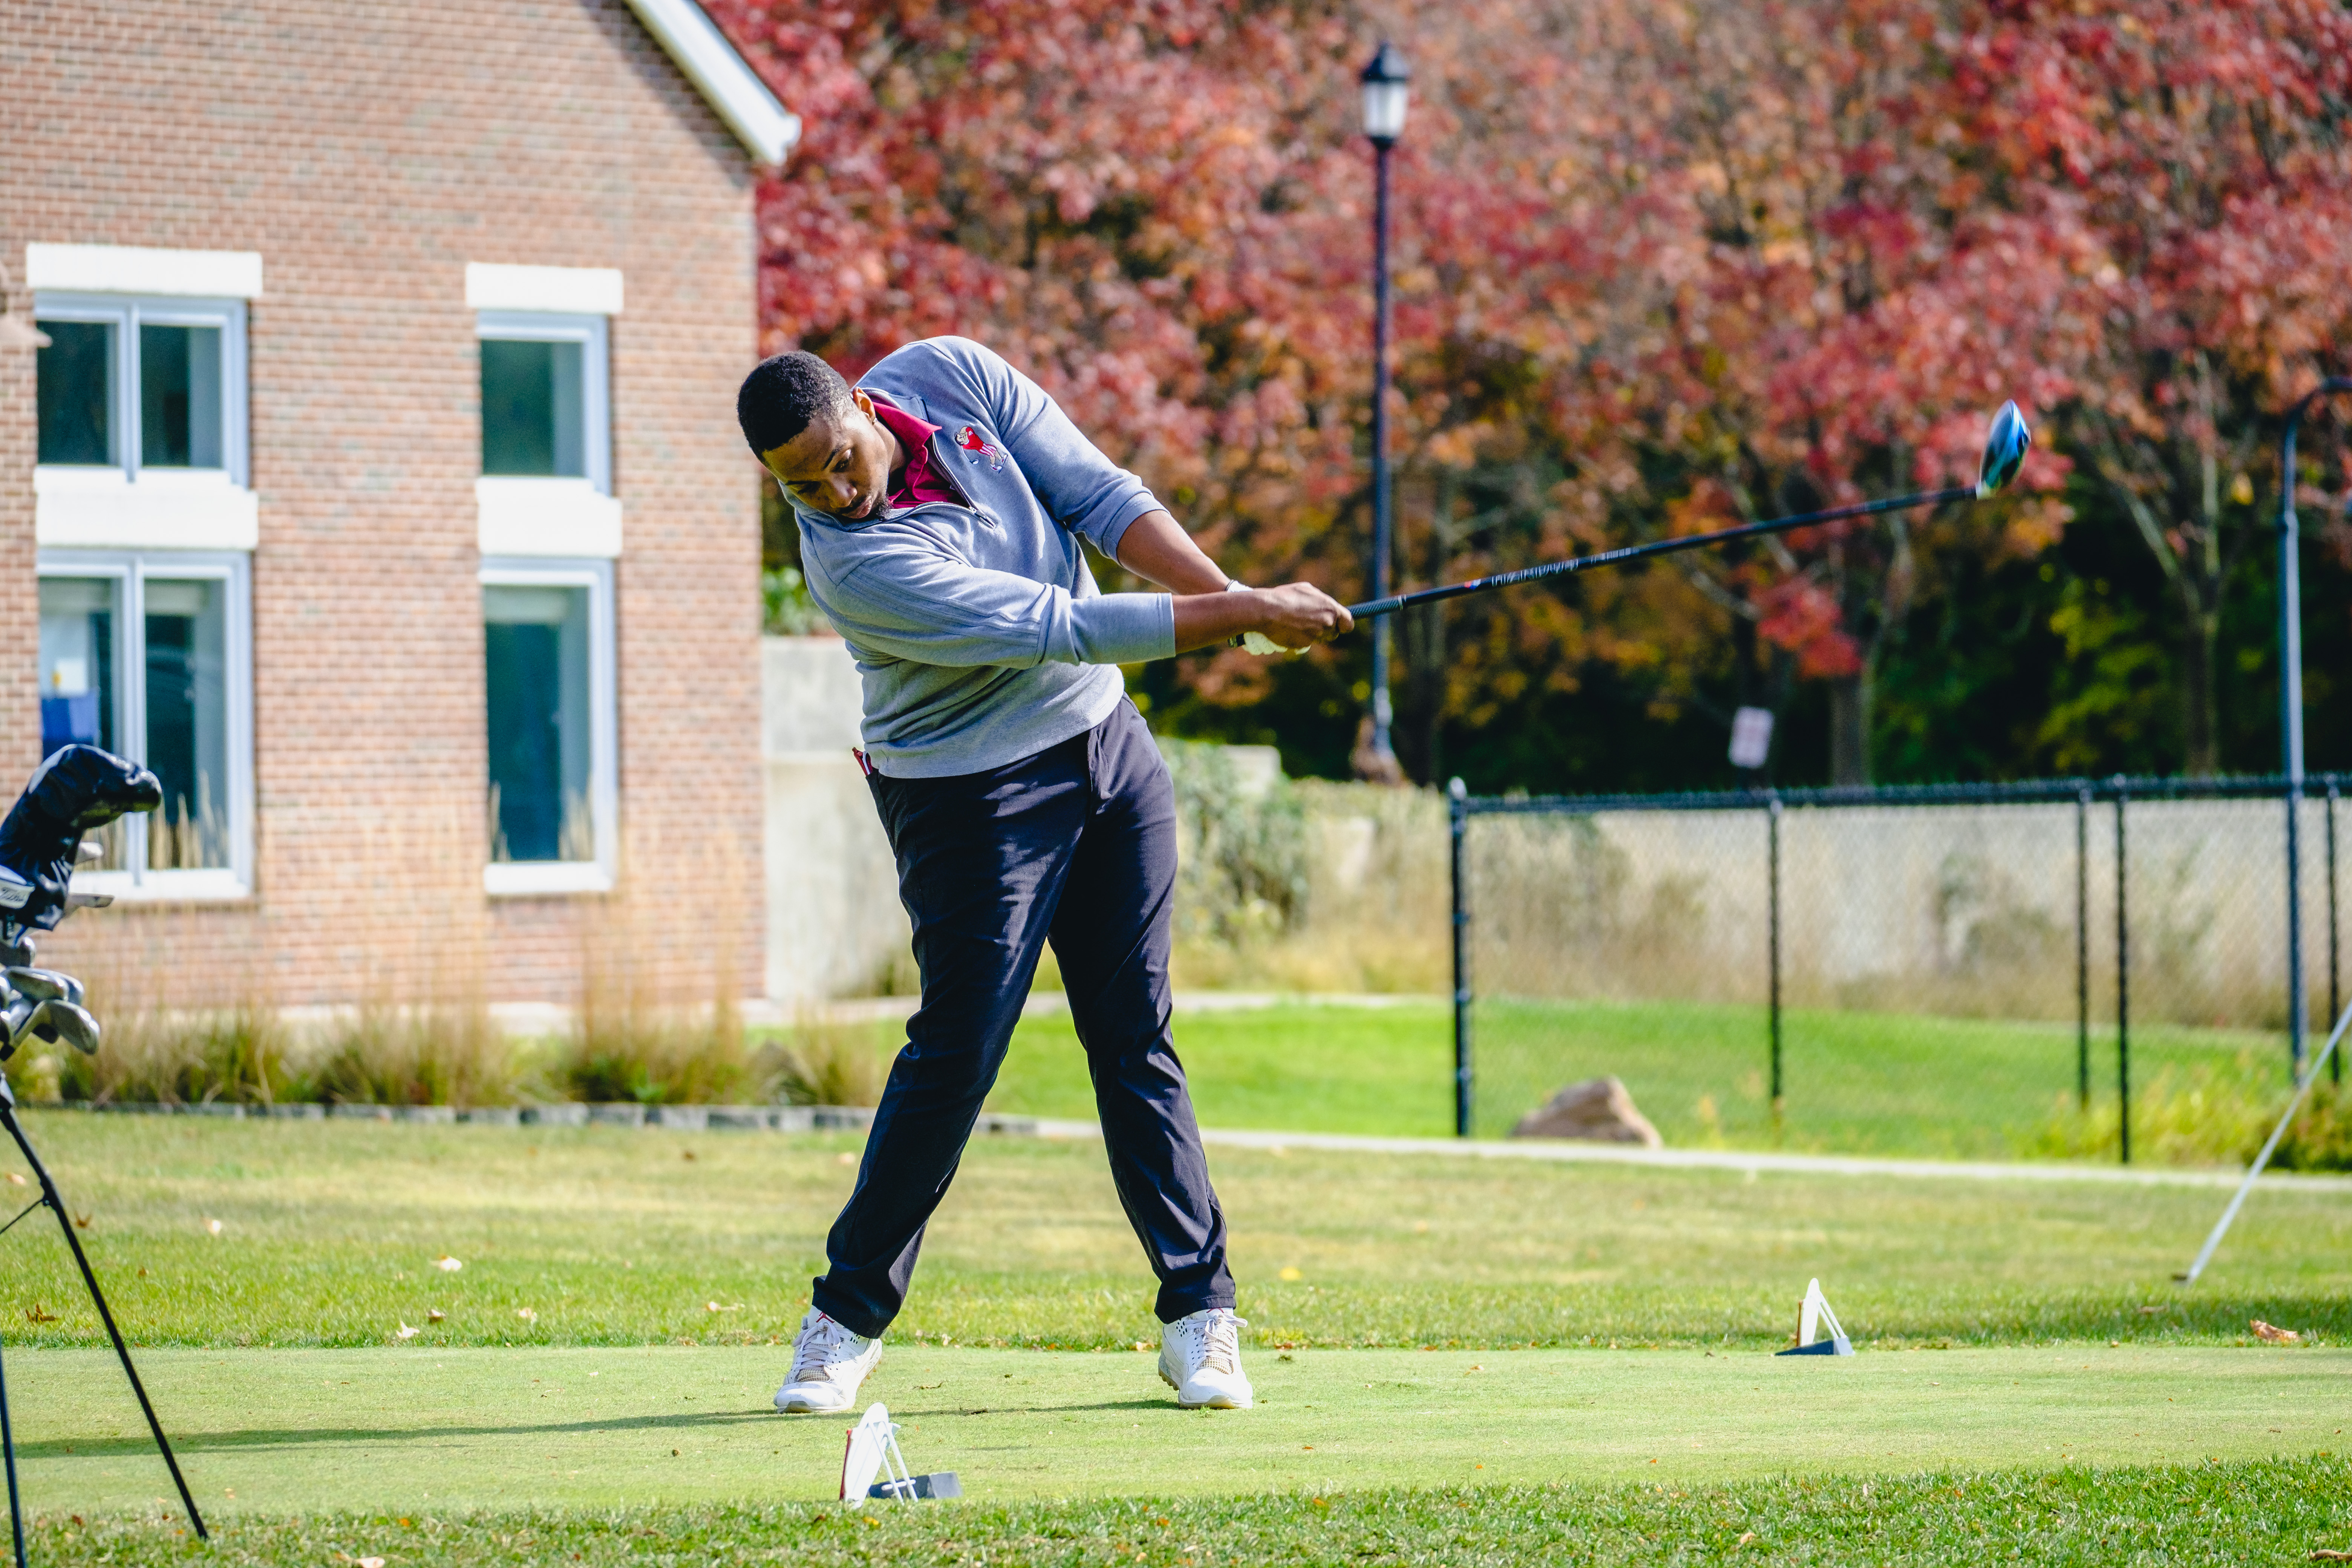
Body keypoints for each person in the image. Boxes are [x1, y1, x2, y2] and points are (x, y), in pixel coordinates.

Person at [738, 337, 1351, 1415]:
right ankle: (844, 1322)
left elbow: (1099, 499)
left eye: (841, 459)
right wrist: (1246, 616)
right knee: (959, 1053)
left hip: (1108, 749)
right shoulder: (855, 565)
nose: (840, 492)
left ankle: (1200, 1318)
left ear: (861, 407)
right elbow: (1061, 628)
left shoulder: (950, 375)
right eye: (805, 486)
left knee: (1134, 1033)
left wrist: (1233, 600)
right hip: (970, 798)